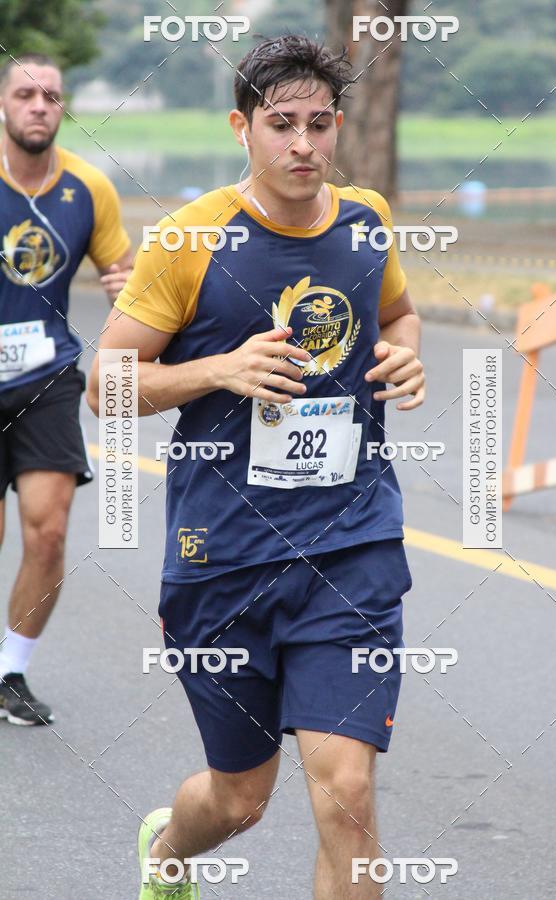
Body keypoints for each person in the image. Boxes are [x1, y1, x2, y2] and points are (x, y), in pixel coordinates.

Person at [88, 34, 425, 900]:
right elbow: (105, 387)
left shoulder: (367, 220)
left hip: (351, 548)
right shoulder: (189, 238)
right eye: (282, 124)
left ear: (339, 127)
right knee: (241, 800)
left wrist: (403, 356)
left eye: (319, 124)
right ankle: (167, 852)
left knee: (347, 795)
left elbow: (401, 316)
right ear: (244, 127)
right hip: (224, 559)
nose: (303, 144)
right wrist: (216, 370)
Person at [0, 54, 132, 726]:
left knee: (48, 531)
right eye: (25, 93)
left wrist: (120, 285)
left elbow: (127, 278)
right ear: (4, 104)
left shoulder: (88, 188)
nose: (39, 105)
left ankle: (11, 670)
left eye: (51, 95)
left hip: (45, 375)